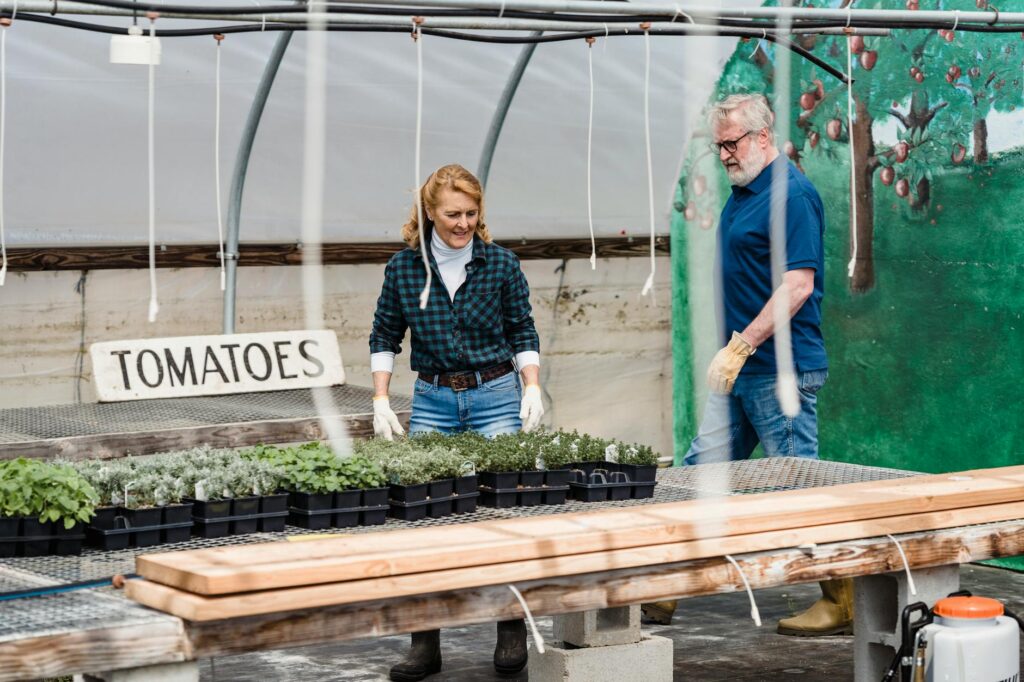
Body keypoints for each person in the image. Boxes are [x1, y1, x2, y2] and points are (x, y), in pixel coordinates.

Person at [642, 94, 850, 637]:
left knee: (797, 486)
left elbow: (798, 286)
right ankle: (666, 589)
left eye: (732, 143)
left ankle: (842, 594)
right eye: (719, 146)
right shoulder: (745, 190)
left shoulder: (792, 195)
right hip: (743, 369)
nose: (725, 154)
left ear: (762, 137)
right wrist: (736, 355)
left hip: (776, 369)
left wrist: (741, 345)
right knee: (694, 476)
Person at [369, 163, 544, 681]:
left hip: (495, 395)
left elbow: (523, 329)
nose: (463, 223)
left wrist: (531, 385)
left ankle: (510, 628)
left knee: (504, 516)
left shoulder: (501, 265)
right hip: (433, 401)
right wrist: (380, 398)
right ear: (429, 212)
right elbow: (384, 334)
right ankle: (426, 644)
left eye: (471, 213)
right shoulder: (404, 269)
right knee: (423, 523)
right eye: (452, 214)